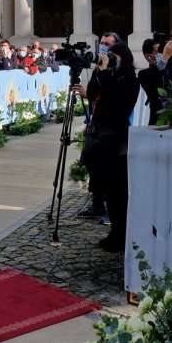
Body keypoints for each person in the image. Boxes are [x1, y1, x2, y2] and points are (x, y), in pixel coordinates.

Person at [76, 40, 138, 252]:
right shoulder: (106, 76)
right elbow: (92, 94)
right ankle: (115, 232)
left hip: (117, 139)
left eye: (114, 57)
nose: (110, 59)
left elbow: (117, 102)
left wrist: (104, 74)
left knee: (118, 190)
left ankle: (122, 233)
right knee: (107, 190)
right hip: (100, 137)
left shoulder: (130, 80)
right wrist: (97, 70)